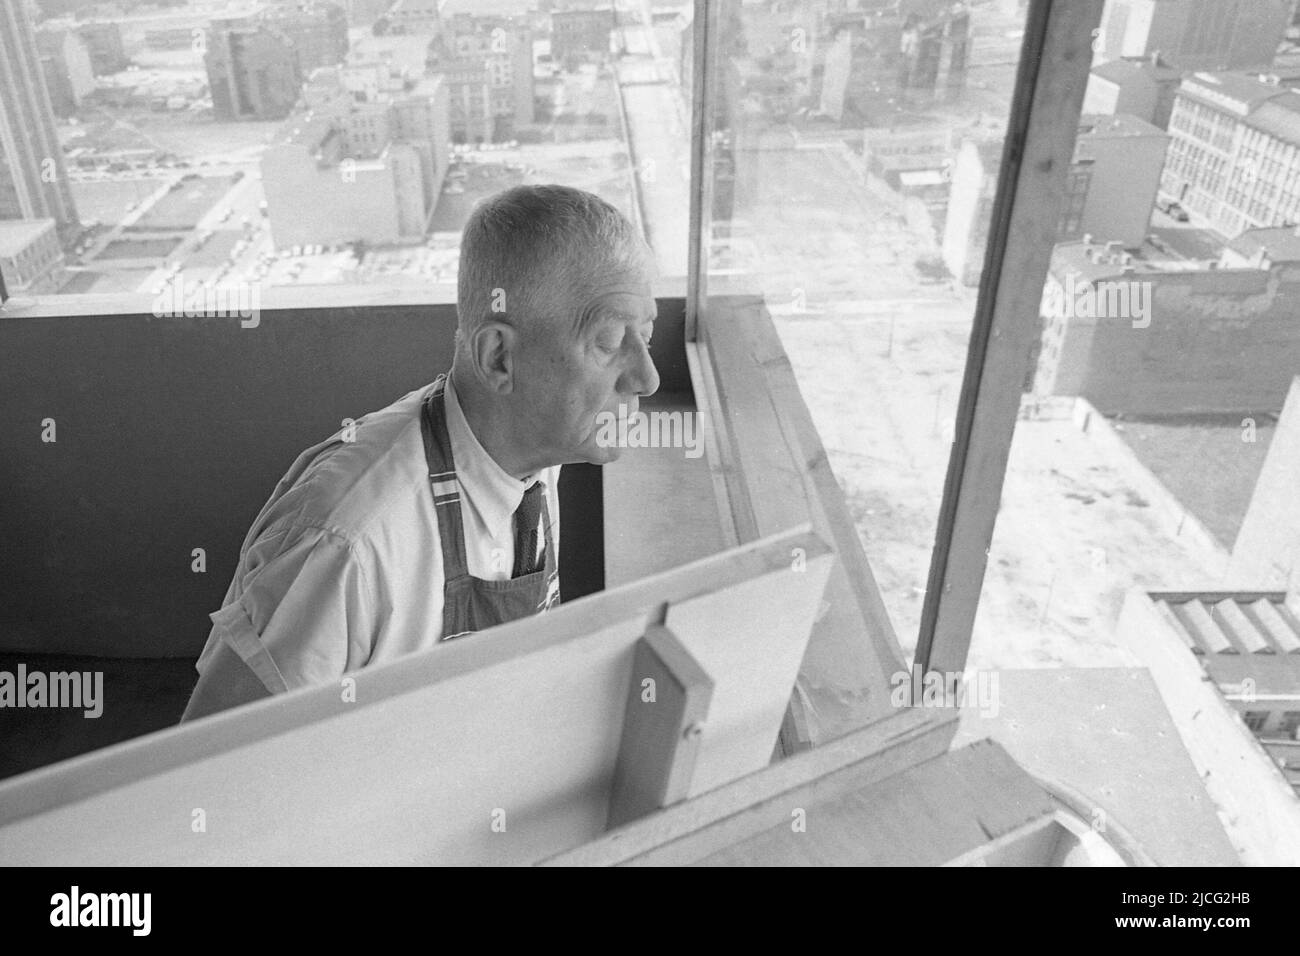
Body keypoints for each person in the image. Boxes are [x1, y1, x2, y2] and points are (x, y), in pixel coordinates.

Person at [181, 185, 659, 721]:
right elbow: (208, 782)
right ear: (500, 358)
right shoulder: (347, 544)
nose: (647, 377)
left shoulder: (532, 456)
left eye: (646, 334)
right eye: (611, 340)